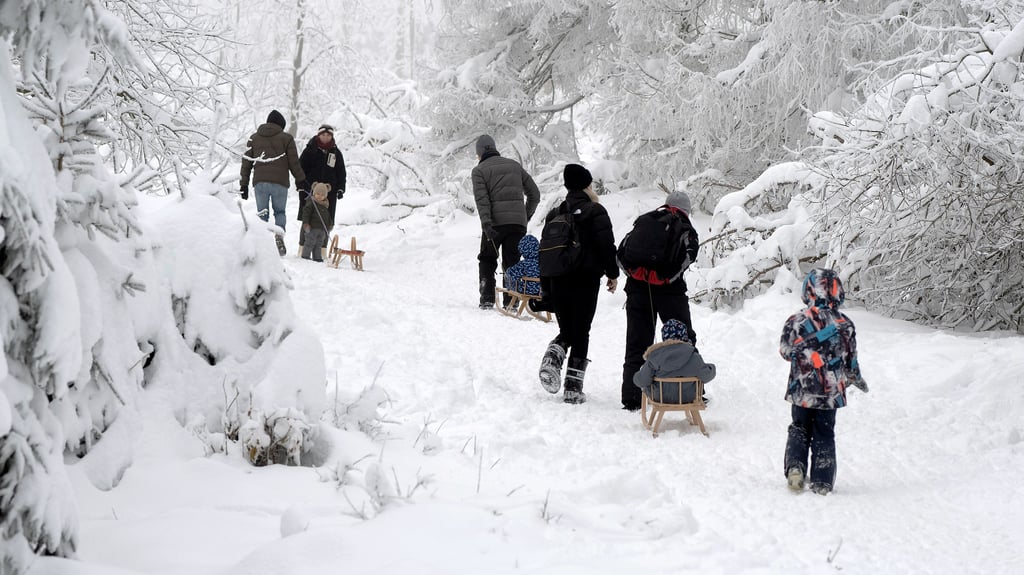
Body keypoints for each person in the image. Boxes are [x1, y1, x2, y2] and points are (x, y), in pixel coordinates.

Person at [779, 268, 869, 496]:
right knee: (825, 433)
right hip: (831, 392)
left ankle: (796, 468)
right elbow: (851, 360)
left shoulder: (796, 320)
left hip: (801, 391)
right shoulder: (845, 325)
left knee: (799, 429)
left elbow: (785, 351)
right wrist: (855, 378)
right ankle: (822, 480)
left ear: (808, 290)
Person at [537, 164, 619, 404]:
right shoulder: (595, 211)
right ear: (587, 185)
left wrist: (546, 287)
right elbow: (606, 245)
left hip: (557, 279)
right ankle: (573, 387)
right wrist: (612, 274)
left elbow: (545, 252)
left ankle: (554, 354)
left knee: (568, 331)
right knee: (581, 332)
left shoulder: (555, 214)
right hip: (585, 279)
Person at [618, 191, 700, 411]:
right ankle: (692, 391)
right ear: (686, 210)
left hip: (637, 290)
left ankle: (632, 397)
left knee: (637, 342)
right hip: (670, 292)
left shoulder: (645, 221)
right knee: (683, 339)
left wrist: (637, 275)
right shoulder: (684, 226)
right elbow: (690, 256)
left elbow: (621, 252)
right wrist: (664, 278)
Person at [471, 134, 541, 309]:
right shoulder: (514, 166)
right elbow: (535, 194)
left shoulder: (479, 171)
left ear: (479, 153)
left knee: (487, 258)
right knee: (512, 261)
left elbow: (482, 200)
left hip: (493, 225)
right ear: (494, 148)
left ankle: (487, 298)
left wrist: (486, 223)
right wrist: (525, 217)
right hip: (517, 225)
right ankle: (512, 300)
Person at [240, 110, 306, 256]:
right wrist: (301, 181)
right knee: (280, 212)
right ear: (281, 125)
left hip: (260, 182)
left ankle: (262, 242)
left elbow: (246, 163)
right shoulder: (287, 138)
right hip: (280, 182)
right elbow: (294, 163)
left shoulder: (254, 138)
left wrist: (243, 184)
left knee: (262, 214)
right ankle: (279, 236)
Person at [633, 319, 716, 404]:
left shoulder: (655, 356)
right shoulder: (693, 356)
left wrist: (637, 375)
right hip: (688, 397)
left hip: (660, 398)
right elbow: (706, 376)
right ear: (684, 336)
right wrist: (711, 367)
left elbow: (642, 380)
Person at [298, 124, 346, 258]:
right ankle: (303, 248)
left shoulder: (336, 153)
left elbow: (341, 172)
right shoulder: (309, 150)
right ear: (318, 135)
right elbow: (300, 169)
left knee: (326, 220)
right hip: (309, 191)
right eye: (323, 135)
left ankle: (322, 249)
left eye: (328, 135)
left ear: (331, 136)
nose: (325, 137)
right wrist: (301, 185)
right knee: (307, 217)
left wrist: (341, 188)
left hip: (329, 193)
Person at [300, 182, 333, 262]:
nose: (319, 196)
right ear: (314, 193)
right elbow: (306, 214)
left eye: (322, 195)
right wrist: (306, 223)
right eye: (317, 194)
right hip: (312, 228)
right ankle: (305, 255)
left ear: (325, 196)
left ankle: (317, 257)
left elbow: (327, 217)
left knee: (318, 244)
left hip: (321, 230)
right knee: (310, 242)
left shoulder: (325, 205)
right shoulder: (311, 203)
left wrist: (330, 224)